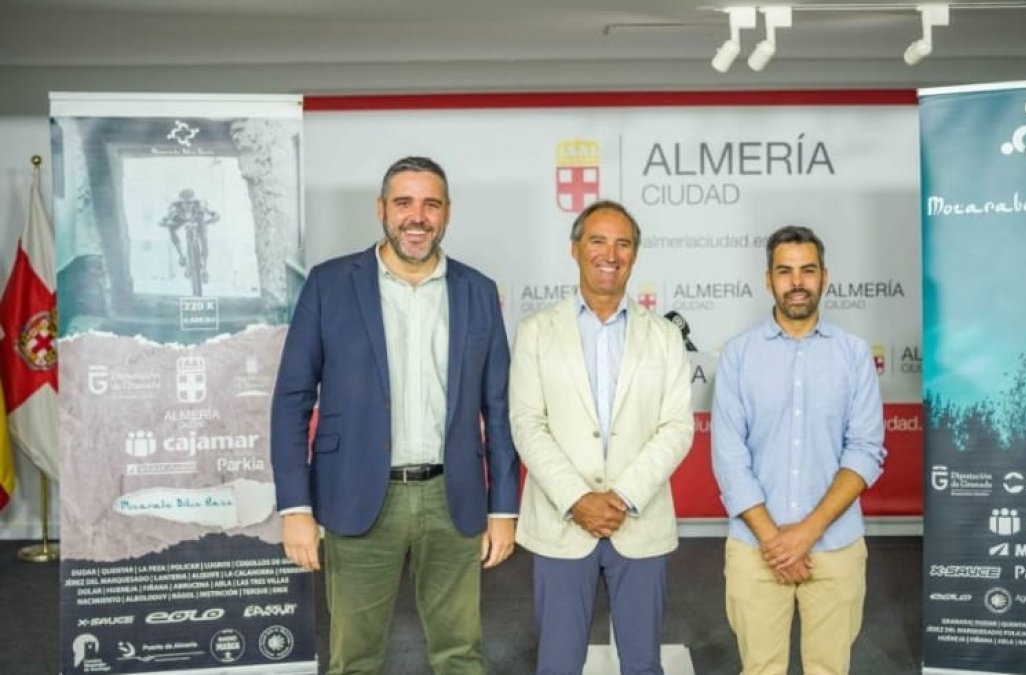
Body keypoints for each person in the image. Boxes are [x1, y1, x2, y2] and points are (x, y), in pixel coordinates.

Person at [270, 156, 519, 675]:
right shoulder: (330, 284)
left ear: (447, 213)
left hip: (451, 498)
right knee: (354, 659)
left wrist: (503, 510)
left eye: (430, 204)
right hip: (357, 494)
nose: (417, 216)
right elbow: (293, 398)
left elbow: (498, 409)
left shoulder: (477, 290)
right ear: (382, 209)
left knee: (460, 655)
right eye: (404, 203)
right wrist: (295, 506)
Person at [508, 199, 694, 675]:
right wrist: (578, 498)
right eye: (597, 240)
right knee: (558, 664)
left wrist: (623, 495)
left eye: (623, 243)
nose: (610, 254)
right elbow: (528, 424)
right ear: (575, 249)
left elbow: (676, 427)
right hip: (562, 522)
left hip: (639, 520)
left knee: (643, 665)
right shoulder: (535, 332)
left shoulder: (665, 336)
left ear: (634, 254)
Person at [711, 225, 886, 675]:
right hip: (756, 549)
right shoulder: (738, 355)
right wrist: (775, 540)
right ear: (768, 280)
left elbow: (866, 450)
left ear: (824, 277)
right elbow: (730, 457)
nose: (797, 282)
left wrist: (805, 533)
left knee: (830, 669)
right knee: (761, 669)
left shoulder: (853, 354)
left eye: (807, 270)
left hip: (835, 546)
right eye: (785, 272)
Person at [159, 188, 219, 282]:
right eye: (185, 203)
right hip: (181, 220)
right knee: (171, 228)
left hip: (197, 220)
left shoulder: (200, 205)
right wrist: (164, 222)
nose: (187, 205)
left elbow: (213, 213)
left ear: (194, 201)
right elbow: (166, 218)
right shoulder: (175, 207)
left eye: (190, 203)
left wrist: (213, 218)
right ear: (180, 202)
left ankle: (205, 267)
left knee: (203, 235)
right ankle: (181, 256)